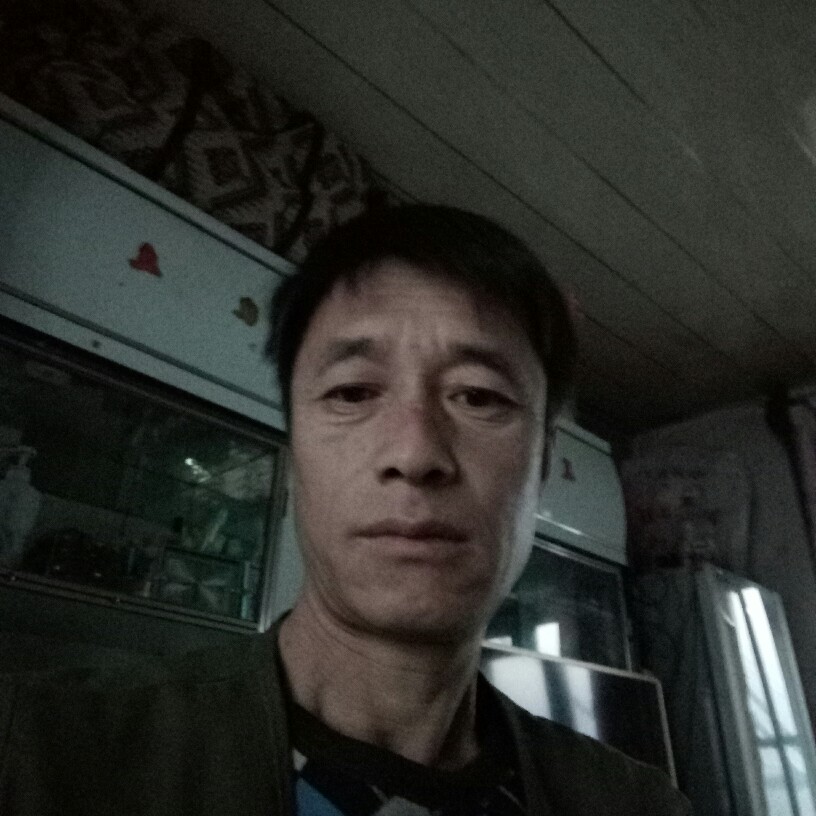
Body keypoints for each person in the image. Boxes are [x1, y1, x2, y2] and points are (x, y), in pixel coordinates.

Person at [0, 205, 690, 815]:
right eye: (353, 392)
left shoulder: (634, 806)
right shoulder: (40, 753)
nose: (415, 453)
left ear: (540, 465)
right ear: (293, 449)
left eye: (479, 396)